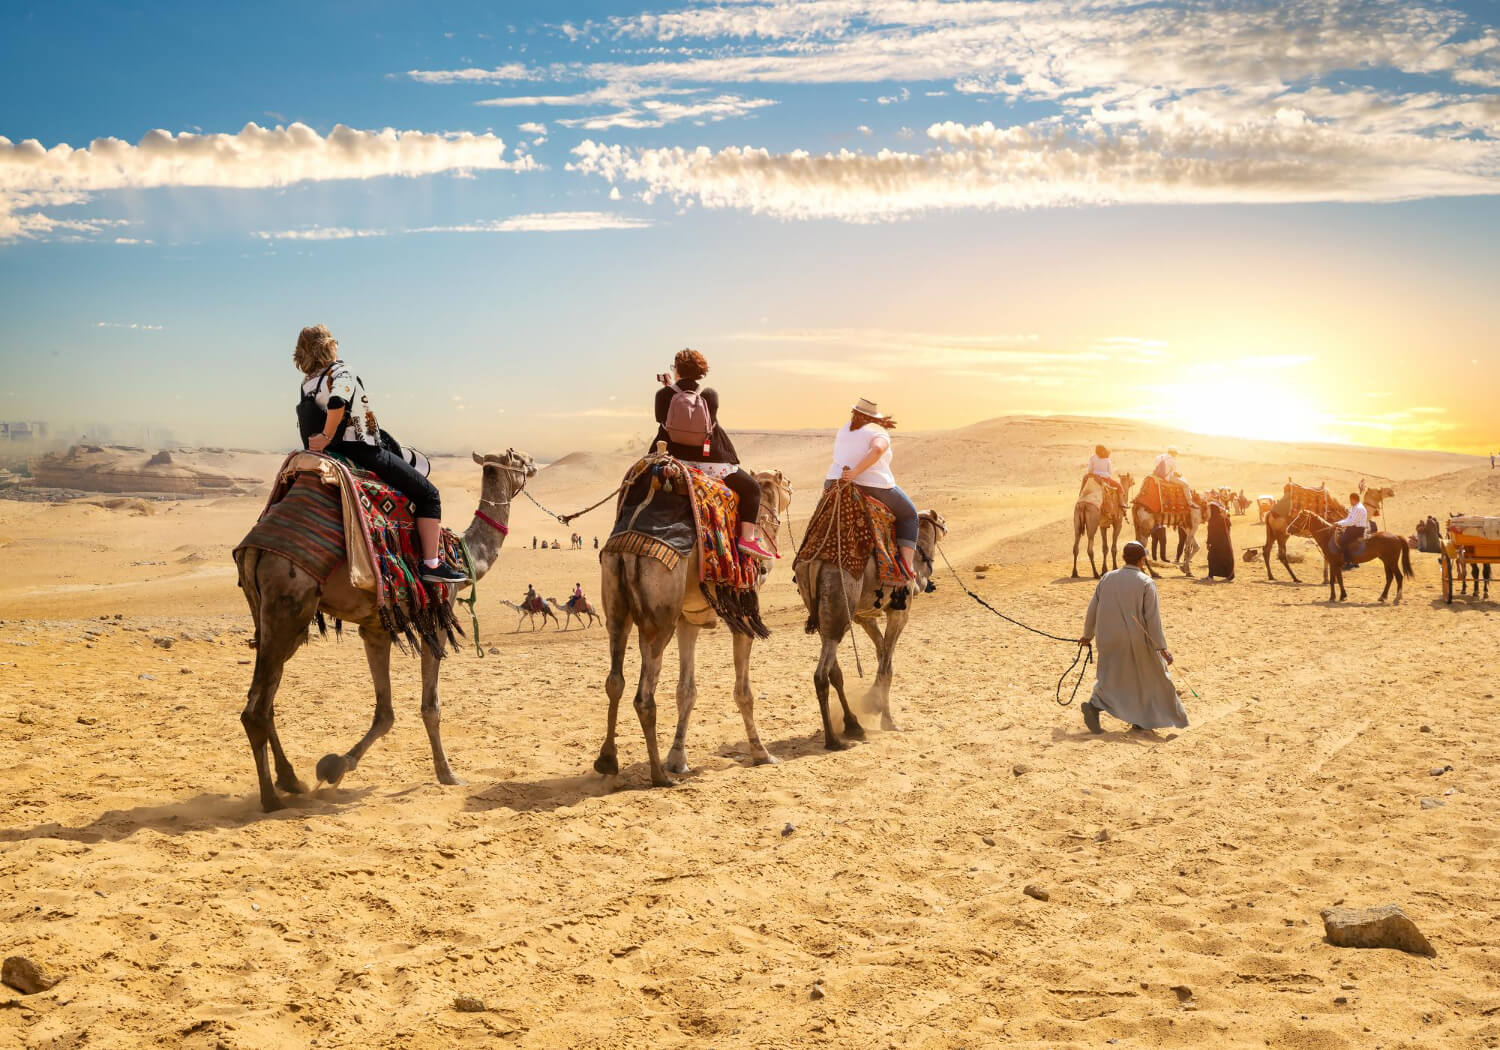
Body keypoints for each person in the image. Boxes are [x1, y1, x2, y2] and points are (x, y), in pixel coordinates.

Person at [293, 324, 465, 584]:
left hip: (328, 454)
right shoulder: (341, 370)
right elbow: (338, 402)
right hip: (361, 449)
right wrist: (327, 435)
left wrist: (323, 441)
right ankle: (431, 564)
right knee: (429, 494)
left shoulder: (307, 384)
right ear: (329, 345)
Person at [651, 348, 776, 559]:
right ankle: (747, 539)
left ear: (677, 370)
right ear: (700, 372)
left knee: (636, 483)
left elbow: (666, 419)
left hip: (673, 461)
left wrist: (669, 387)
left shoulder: (663, 395)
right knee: (752, 489)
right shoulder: (710, 396)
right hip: (714, 465)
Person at [1077, 541, 1188, 734]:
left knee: (1111, 678)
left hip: (1107, 638)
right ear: (1142, 559)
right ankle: (1137, 719)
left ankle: (1096, 708)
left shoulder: (1107, 578)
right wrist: (1161, 648)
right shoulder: (1145, 582)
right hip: (1135, 641)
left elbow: (1092, 608)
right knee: (1149, 678)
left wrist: (1087, 635)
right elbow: (1153, 619)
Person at [822, 398, 921, 577]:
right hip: (872, 484)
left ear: (855, 413)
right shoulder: (877, 430)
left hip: (834, 482)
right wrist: (856, 472)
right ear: (874, 417)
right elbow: (877, 450)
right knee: (909, 515)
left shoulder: (845, 428)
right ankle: (907, 568)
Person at [1334, 493, 1369, 570]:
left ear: (1353, 499)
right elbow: (1348, 519)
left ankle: (1348, 562)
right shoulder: (1354, 507)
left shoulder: (1358, 508)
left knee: (1342, 540)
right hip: (1353, 528)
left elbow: (1352, 521)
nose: (1350, 501)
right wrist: (1338, 523)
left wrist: (1339, 523)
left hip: (1357, 529)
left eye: (1350, 500)